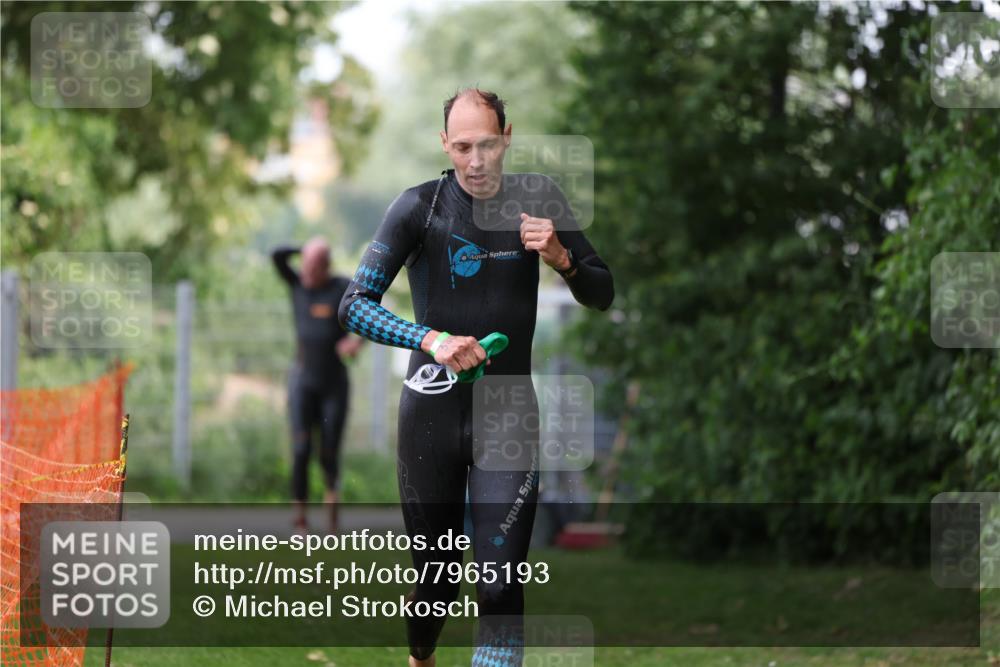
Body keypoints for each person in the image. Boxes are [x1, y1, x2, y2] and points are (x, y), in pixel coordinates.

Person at [338, 88, 613, 667]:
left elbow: (602, 290)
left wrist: (562, 257)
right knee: (436, 588)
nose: (477, 160)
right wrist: (428, 339)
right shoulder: (418, 208)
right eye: (463, 147)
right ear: (445, 144)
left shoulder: (538, 200)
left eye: (488, 144)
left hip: (508, 411)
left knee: (500, 580)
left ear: (508, 136)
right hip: (430, 414)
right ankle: (421, 659)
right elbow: (354, 305)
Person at [272, 237, 363, 534]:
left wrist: (355, 341)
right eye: (305, 266)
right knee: (300, 450)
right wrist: (306, 249)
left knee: (329, 451)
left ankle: (331, 516)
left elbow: (367, 312)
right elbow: (277, 255)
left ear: (327, 266)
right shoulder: (298, 285)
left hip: (334, 385)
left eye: (314, 266)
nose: (307, 272)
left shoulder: (340, 288)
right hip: (303, 382)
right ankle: (299, 519)